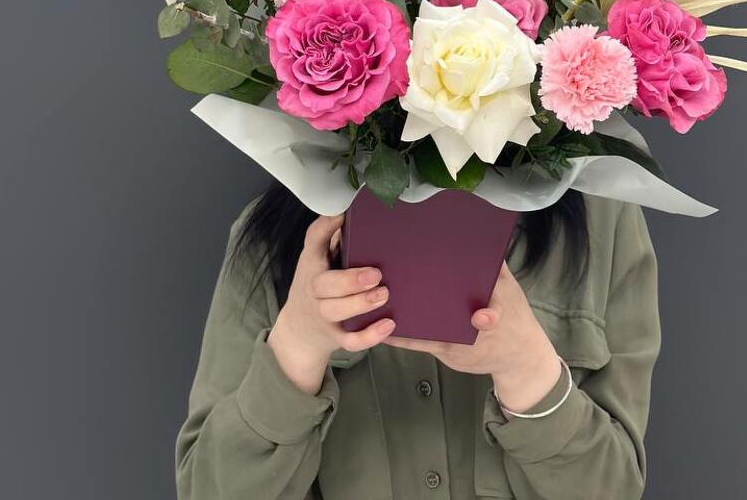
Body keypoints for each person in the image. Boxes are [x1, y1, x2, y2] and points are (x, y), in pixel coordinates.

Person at [176, 182, 659, 499]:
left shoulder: (602, 220)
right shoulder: (275, 240)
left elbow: (616, 489)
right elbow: (206, 490)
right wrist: (298, 347)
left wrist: (528, 370)